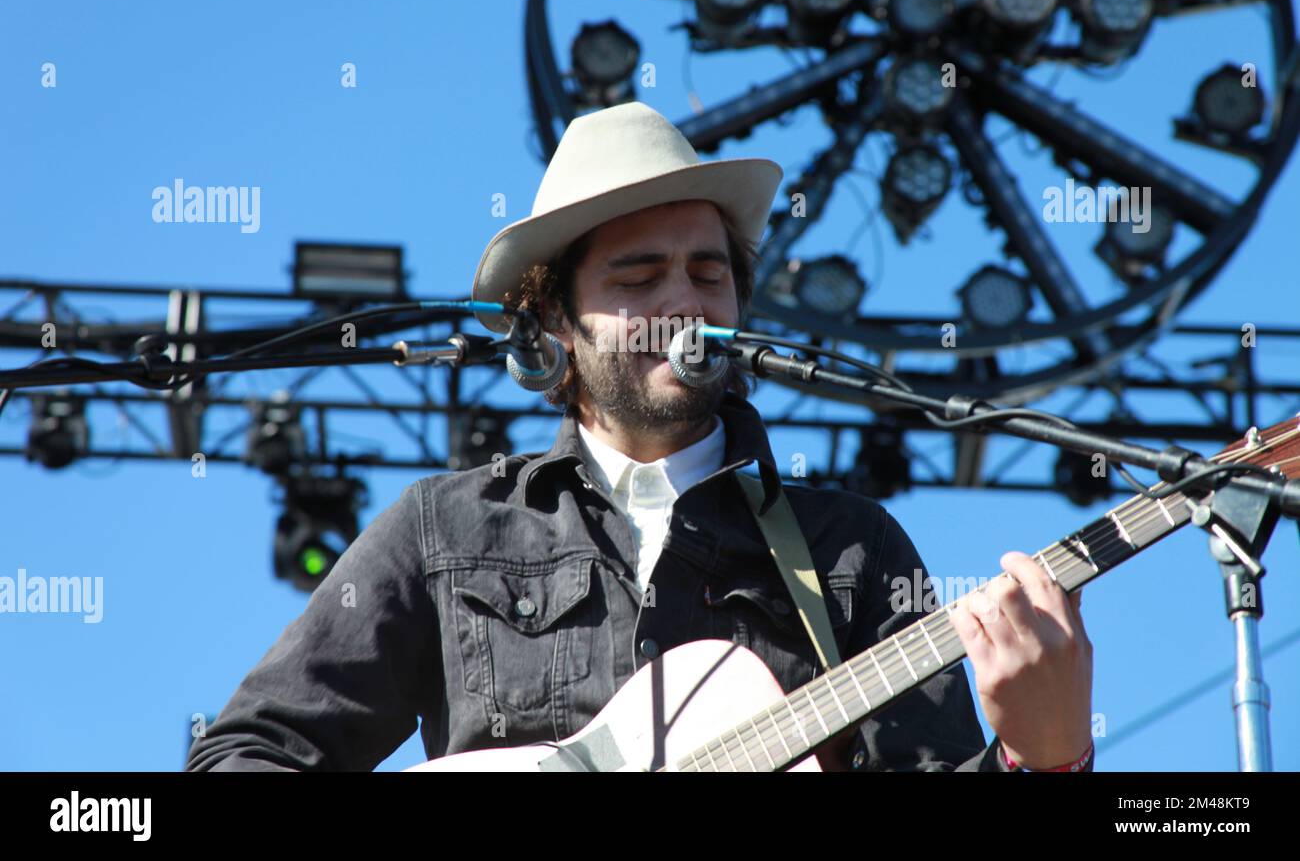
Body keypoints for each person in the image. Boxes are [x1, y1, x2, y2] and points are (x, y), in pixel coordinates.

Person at [186, 102, 1094, 772]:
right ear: (553, 319)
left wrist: (1045, 758)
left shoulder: (851, 547)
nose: (683, 303)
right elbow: (244, 753)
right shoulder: (446, 531)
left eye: (707, 272)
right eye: (639, 275)